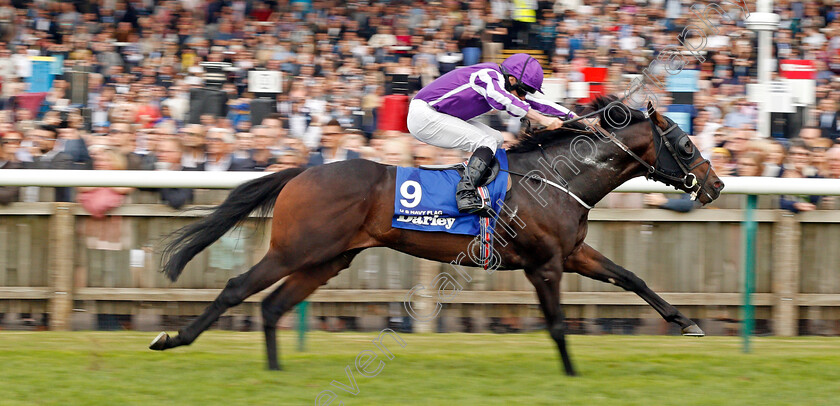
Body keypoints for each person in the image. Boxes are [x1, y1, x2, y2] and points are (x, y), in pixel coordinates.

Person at [407, 53, 574, 214]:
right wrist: (541, 119)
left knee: (497, 139)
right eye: (523, 91)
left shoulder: (506, 83)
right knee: (486, 142)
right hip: (423, 115)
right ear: (511, 79)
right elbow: (502, 98)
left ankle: (483, 187)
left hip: (439, 115)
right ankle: (465, 194)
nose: (524, 97)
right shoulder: (488, 75)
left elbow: (539, 104)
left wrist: (577, 118)